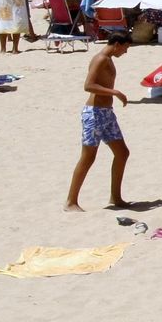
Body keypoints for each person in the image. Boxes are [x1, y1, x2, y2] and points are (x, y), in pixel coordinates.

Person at [65, 30, 132, 211]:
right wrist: (114, 92)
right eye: (125, 48)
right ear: (117, 44)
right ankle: (71, 201)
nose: (125, 52)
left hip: (107, 113)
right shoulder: (100, 59)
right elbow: (88, 85)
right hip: (94, 114)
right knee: (88, 157)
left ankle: (115, 197)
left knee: (122, 153)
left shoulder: (108, 59)